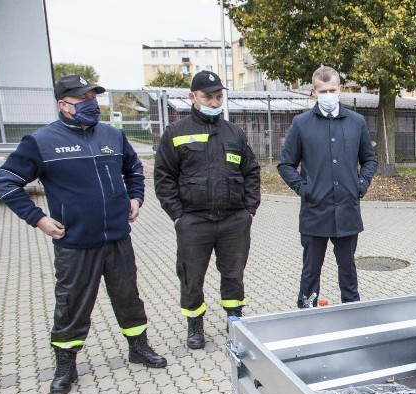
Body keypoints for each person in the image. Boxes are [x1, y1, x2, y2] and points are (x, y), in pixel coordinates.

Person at [0, 74, 167, 394]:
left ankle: (138, 347)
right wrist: (38, 219)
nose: (91, 105)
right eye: (83, 100)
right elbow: (5, 182)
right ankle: (66, 363)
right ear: (63, 104)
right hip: (75, 243)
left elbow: (133, 170)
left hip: (117, 237)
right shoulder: (41, 141)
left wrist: (136, 197)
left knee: (128, 297)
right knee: (72, 305)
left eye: (94, 98)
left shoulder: (113, 135)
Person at [154, 71, 261, 349]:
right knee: (191, 277)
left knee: (234, 274)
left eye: (218, 97)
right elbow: (163, 177)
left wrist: (249, 209)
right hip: (194, 222)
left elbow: (251, 172)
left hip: (233, 221)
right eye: (207, 98)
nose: (214, 103)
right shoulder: (175, 133)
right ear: (192, 97)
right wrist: (178, 216)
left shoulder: (234, 132)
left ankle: (235, 320)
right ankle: (195, 326)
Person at [278, 65, 377, 308]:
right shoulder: (302, 124)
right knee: (310, 271)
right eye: (323, 91)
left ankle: (351, 313)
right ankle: (306, 314)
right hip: (314, 212)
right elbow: (286, 164)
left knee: (348, 270)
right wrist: (305, 189)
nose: (328, 95)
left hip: (347, 210)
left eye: (332, 89)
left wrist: (360, 185)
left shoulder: (356, 122)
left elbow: (369, 159)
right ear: (314, 92)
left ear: (340, 89)